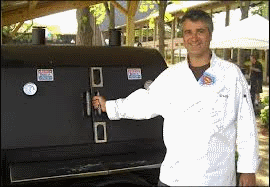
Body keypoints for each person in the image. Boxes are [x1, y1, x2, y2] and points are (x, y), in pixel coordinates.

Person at [92, 9, 259, 186]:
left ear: (210, 35)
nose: (194, 38)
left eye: (200, 31)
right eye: (188, 32)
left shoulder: (231, 74)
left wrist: (248, 169)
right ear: (183, 37)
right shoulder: (171, 76)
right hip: (175, 176)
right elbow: (145, 102)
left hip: (216, 178)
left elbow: (246, 123)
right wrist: (110, 107)